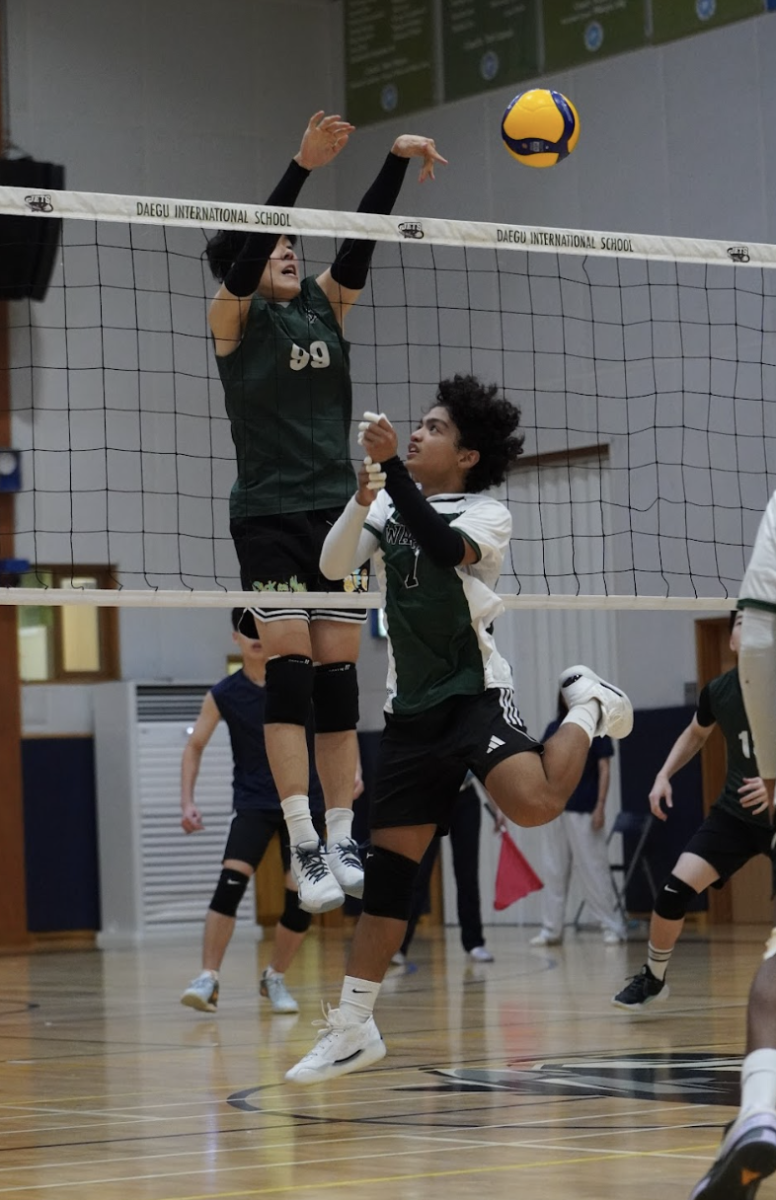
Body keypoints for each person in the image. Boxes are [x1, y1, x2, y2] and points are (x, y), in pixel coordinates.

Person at [284, 373, 634, 1084]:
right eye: (417, 424)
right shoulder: (386, 503)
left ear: (467, 455)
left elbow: (445, 550)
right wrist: (361, 501)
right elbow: (328, 565)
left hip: (474, 695)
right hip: (409, 715)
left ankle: (587, 704)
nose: (417, 433)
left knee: (535, 805)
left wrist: (390, 487)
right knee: (390, 882)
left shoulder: (486, 512)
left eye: (434, 428)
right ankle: (352, 1027)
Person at [205, 111, 447, 914]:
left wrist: (391, 162)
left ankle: (343, 833)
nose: (289, 252)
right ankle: (302, 840)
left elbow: (357, 244)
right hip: (269, 514)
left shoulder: (323, 306)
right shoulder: (233, 320)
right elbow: (251, 252)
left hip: (337, 514)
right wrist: (299, 165)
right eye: (276, 248)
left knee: (341, 679)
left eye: (291, 248)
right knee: (289, 672)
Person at [612, 610, 770, 1013]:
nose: (747, 629)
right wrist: (663, 774)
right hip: (735, 815)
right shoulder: (719, 691)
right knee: (673, 892)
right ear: (732, 639)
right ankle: (653, 978)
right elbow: (696, 733)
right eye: (739, 623)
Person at [180, 608, 331, 1015]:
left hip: (305, 802)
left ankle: (275, 976)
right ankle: (207, 978)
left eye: (260, 627)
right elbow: (194, 745)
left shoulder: (301, 682)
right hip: (253, 802)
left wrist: (350, 771)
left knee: (302, 897)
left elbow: (336, 728)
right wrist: (187, 801)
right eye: (247, 631)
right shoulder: (224, 694)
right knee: (231, 882)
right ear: (236, 639)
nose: (255, 637)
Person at [689, 498, 776, 1199]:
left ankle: (760, 1114)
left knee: (773, 989)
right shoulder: (714, 698)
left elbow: (762, 637)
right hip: (730, 816)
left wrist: (772, 769)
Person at [530, 693, 626, 947]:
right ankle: (551, 929)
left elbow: (605, 768)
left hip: (584, 808)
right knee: (554, 870)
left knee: (594, 869)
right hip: (554, 809)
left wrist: (601, 806)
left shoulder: (597, 727)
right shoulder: (554, 728)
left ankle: (611, 926)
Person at [391, 774, 505, 967]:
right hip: (430, 799)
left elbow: (481, 769)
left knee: (467, 874)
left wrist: (497, 807)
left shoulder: (469, 742)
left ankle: (474, 943)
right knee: (419, 875)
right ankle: (399, 946)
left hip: (465, 798)